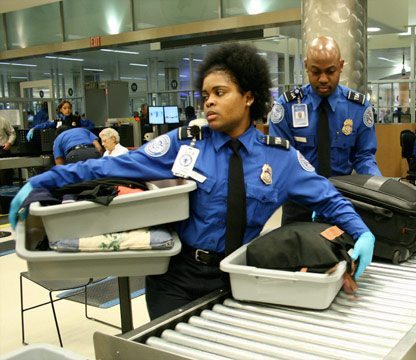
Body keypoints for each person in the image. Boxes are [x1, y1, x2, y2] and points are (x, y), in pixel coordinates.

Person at [9, 43, 375, 320]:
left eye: (220, 93)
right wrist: (47, 182)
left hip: (239, 276)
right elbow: (112, 167)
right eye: (205, 96)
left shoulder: (279, 159)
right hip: (176, 278)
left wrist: (362, 233)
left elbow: (329, 199)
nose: (209, 104)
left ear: (249, 97)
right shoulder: (183, 143)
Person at [269, 36, 381, 225]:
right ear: (306, 66)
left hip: (342, 201)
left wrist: (379, 189)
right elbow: (282, 161)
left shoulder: (358, 108)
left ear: (341, 65)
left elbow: (364, 157)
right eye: (315, 72)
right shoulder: (286, 107)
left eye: (330, 71)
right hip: (300, 203)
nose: (322, 79)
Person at [27, 100, 94, 140]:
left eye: (69, 108)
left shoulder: (77, 119)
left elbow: (91, 125)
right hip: (62, 142)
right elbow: (45, 125)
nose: (67, 110)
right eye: (65, 108)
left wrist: (82, 131)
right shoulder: (58, 121)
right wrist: (34, 128)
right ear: (61, 109)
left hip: (74, 141)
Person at [0, 116, 16, 186]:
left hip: (3, 149)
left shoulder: (2, 120)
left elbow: (12, 133)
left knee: (5, 175)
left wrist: (9, 143)